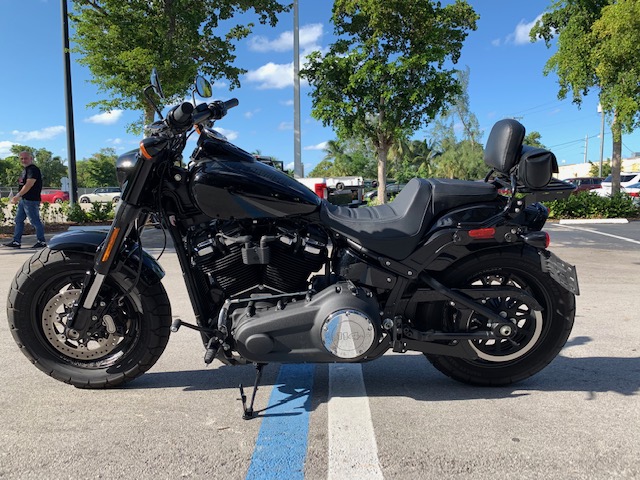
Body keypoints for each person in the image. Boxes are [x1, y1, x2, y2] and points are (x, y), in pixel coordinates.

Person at [3, 151, 47, 249]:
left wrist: (18, 195)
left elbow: (29, 184)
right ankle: (16, 242)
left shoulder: (33, 169)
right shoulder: (25, 170)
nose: (23, 160)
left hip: (31, 200)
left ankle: (41, 241)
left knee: (35, 221)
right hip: (24, 200)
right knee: (18, 220)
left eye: (25, 158)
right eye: (21, 158)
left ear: (31, 158)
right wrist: (20, 197)